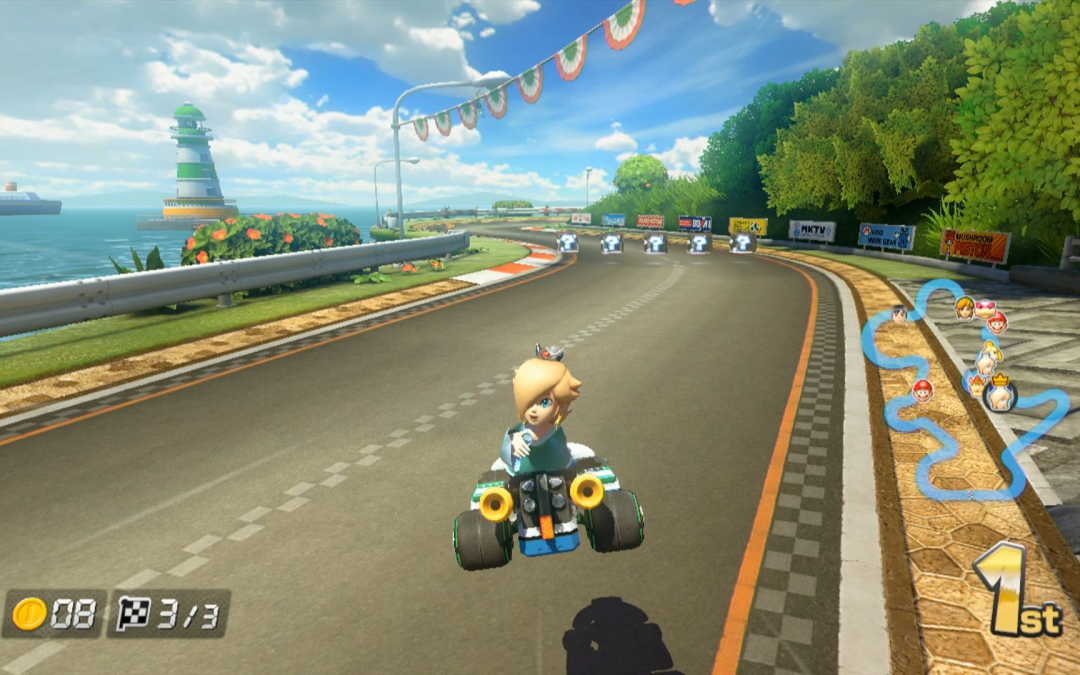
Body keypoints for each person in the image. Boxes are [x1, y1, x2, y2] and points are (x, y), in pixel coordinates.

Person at [497, 345, 584, 476]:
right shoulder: (519, 432)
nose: (533, 410)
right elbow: (506, 453)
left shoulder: (556, 432)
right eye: (528, 401)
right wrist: (513, 442)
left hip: (559, 474)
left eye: (545, 402)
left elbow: (560, 452)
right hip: (522, 478)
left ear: (561, 403)